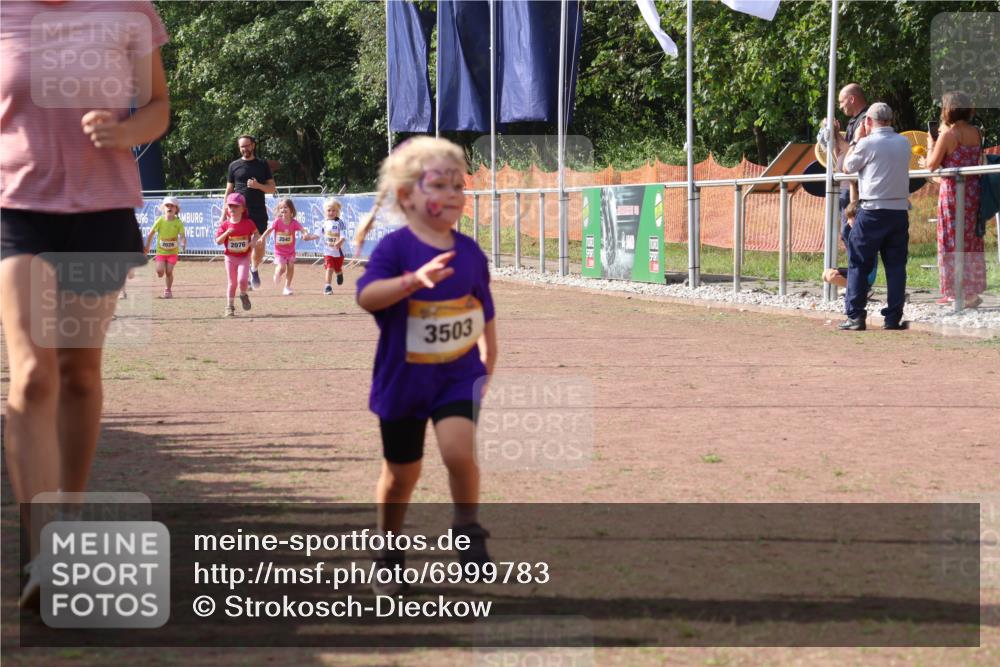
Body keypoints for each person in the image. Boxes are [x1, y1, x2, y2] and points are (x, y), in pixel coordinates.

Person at [0, 1, 170, 607]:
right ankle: (42, 550)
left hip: (101, 212)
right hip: (16, 210)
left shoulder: (129, 10)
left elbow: (158, 107)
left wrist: (125, 133)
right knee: (33, 373)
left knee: (78, 372)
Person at [354, 137, 498, 592]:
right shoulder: (394, 249)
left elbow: (484, 312)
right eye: (439, 184)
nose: (453, 194)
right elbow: (367, 296)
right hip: (403, 383)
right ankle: (388, 552)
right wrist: (413, 281)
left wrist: (488, 362)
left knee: (459, 453)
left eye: (459, 185)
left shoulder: (470, 252)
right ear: (406, 195)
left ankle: (468, 529)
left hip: (457, 376)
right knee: (402, 476)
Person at [838, 103, 912, 331]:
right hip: (899, 211)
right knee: (896, 266)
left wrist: (855, 140)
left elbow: (847, 167)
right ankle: (893, 317)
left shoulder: (867, 143)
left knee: (859, 263)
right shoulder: (904, 142)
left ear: (868, 121)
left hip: (872, 211)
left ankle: (856, 316)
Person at [922, 91, 985, 308]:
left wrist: (931, 142)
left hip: (952, 194)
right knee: (970, 240)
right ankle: (971, 290)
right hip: (973, 191)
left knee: (950, 239)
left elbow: (931, 164)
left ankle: (955, 291)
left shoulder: (949, 135)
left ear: (948, 110)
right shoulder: (976, 132)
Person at [221, 135, 276, 289]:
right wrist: (223, 214)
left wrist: (258, 186)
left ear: (253, 145)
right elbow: (229, 190)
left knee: (259, 245)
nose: (244, 149)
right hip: (240, 212)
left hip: (258, 210)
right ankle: (244, 277)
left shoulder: (262, 165)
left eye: (247, 145)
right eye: (242, 147)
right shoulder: (234, 165)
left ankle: (254, 268)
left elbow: (272, 188)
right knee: (241, 244)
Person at [256, 198, 317, 295]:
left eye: (285, 207)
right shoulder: (277, 221)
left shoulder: (294, 223)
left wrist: (305, 234)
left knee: (291, 267)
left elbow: (303, 229)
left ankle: (287, 287)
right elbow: (269, 230)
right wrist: (262, 238)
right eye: (281, 208)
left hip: (290, 252)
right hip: (279, 252)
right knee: (282, 268)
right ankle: (277, 273)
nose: (283, 209)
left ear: (291, 210)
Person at [216, 193, 260, 316]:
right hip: (230, 258)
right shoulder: (225, 225)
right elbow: (218, 241)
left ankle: (243, 294)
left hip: (244, 257)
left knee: (242, 280)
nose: (232, 208)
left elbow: (256, 234)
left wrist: (252, 242)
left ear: (243, 209)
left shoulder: (248, 223)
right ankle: (229, 306)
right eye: (230, 206)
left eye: (236, 206)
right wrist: (226, 233)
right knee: (232, 283)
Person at [821, 201, 877, 295]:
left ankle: (863, 289)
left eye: (850, 218)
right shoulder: (852, 233)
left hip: (866, 273)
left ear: (858, 219)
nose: (847, 221)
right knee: (826, 274)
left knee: (831, 276)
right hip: (855, 269)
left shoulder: (866, 235)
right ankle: (852, 287)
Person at [144, 197, 187, 298]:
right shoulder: (160, 220)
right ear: (163, 208)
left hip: (172, 252)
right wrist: (147, 247)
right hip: (161, 252)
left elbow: (182, 236)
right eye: (167, 206)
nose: (169, 208)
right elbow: (151, 233)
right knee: (160, 272)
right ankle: (160, 273)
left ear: (176, 209)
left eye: (172, 206)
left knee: (169, 271)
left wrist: (183, 243)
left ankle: (168, 290)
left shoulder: (178, 222)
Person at [322, 198, 348, 295]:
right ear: (325, 212)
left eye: (334, 210)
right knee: (329, 268)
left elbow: (343, 236)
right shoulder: (324, 223)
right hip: (328, 251)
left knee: (337, 269)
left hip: (338, 252)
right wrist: (309, 237)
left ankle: (339, 273)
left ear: (337, 212)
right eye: (329, 210)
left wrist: (339, 242)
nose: (331, 212)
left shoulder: (340, 223)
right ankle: (327, 287)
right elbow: (319, 233)